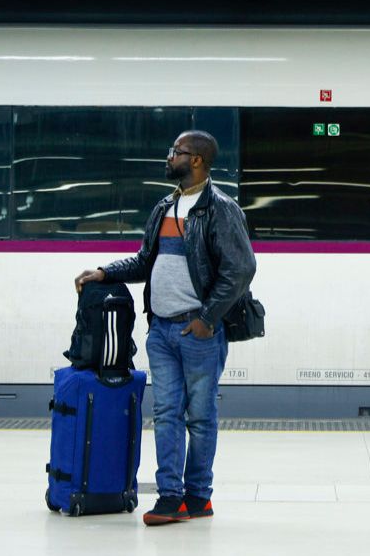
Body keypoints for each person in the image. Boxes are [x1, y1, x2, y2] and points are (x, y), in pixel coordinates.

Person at [75, 130, 255, 526]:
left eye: (177, 151)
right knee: (167, 413)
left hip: (199, 334)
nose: (169, 156)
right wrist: (105, 272)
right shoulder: (164, 207)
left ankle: (198, 496)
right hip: (161, 330)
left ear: (197, 161)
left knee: (200, 417)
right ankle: (170, 498)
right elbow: (145, 261)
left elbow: (241, 269)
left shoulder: (220, 209)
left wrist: (207, 319)